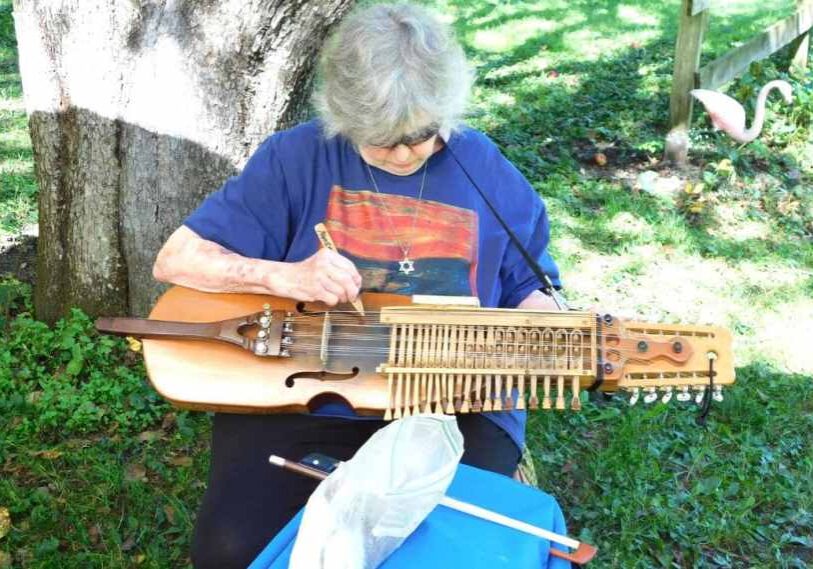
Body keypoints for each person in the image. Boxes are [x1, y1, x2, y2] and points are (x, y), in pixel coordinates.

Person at [152, 3, 562, 568]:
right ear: (342, 118)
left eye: (418, 135)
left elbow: (529, 288)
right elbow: (178, 259)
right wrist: (286, 274)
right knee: (233, 550)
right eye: (378, 139)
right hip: (309, 398)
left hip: (452, 404)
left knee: (448, 553)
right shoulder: (297, 158)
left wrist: (549, 322)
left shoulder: (484, 170)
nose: (402, 152)